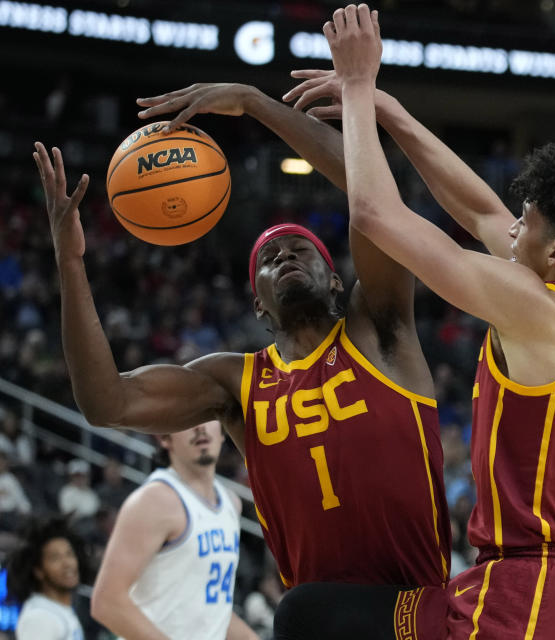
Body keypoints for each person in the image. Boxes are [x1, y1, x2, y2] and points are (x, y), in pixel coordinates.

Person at [32, 54, 450, 639]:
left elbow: (370, 189)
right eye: (267, 260)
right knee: (300, 613)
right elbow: (106, 403)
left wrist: (255, 102)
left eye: (301, 249)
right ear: (258, 305)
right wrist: (71, 263)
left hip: (415, 607)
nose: (283, 256)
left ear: (336, 280)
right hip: (318, 617)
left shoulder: (379, 326)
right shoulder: (234, 383)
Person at [320, 5, 555, 637]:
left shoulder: (538, 310)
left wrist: (356, 86)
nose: (512, 229)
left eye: (527, 222)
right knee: (316, 615)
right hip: (549, 589)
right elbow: (479, 209)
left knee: (317, 618)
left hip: (525, 597)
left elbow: (376, 216)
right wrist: (391, 113)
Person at [90, 420, 257, 640]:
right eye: (189, 420)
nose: (200, 428)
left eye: (207, 417)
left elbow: (213, 611)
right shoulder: (154, 500)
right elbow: (107, 602)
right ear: (164, 438)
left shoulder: (231, 503)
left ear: (222, 431)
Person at [6, 516, 88, 640]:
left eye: (69, 554)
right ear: (38, 570)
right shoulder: (40, 617)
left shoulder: (58, 609)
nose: (67, 563)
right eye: (55, 558)